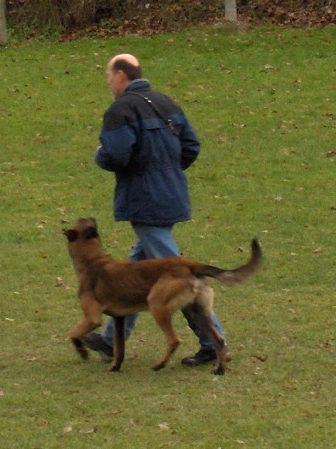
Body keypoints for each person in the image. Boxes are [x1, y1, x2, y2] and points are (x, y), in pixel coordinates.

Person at [80, 53, 229, 367]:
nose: (107, 82)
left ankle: (214, 341)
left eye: (108, 76)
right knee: (139, 265)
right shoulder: (166, 103)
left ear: (121, 75)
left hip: (145, 199)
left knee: (179, 271)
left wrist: (99, 156)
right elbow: (191, 146)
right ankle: (110, 340)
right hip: (172, 193)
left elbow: (117, 153)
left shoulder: (120, 110)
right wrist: (169, 172)